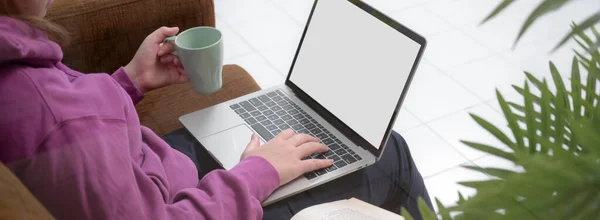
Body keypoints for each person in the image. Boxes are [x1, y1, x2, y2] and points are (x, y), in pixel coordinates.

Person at [0, 0, 432, 219]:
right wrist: (257, 173)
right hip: (193, 203)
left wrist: (126, 84)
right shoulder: (62, 126)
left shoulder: (17, 63)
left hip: (151, 172)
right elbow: (70, 131)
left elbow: (75, 132)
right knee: (390, 154)